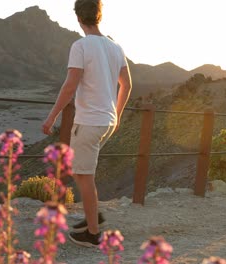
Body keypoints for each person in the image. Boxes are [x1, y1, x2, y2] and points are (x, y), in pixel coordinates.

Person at [42, 0, 132, 247]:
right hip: (106, 122)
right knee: (83, 171)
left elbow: (70, 85)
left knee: (83, 175)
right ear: (99, 15)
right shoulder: (115, 47)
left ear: (78, 18)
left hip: (89, 122)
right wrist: (118, 115)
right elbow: (127, 84)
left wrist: (52, 117)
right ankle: (94, 216)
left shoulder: (80, 46)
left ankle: (93, 233)